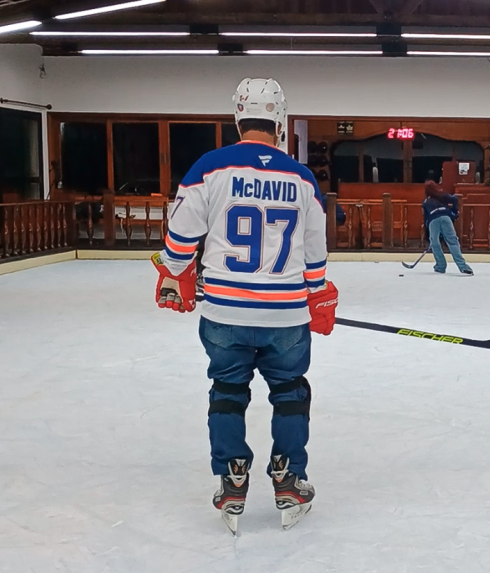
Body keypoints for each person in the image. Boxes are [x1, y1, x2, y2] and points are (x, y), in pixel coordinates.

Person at [151, 78, 338, 534]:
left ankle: (232, 476)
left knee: (228, 392)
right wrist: (317, 293)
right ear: (279, 121)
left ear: (238, 116)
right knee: (291, 392)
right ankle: (289, 478)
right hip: (286, 316)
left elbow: (177, 246)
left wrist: (177, 275)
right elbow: (315, 252)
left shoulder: (209, 167)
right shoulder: (301, 177)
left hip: (224, 313)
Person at [423, 181, 473, 275]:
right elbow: (454, 198)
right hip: (446, 217)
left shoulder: (426, 202)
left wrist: (428, 235)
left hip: (433, 220)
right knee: (453, 241)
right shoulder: (442, 195)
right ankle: (463, 266)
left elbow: (426, 219)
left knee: (435, 243)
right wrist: (454, 212)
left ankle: (440, 266)